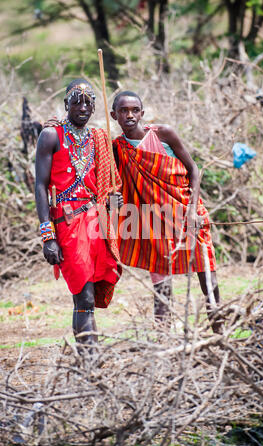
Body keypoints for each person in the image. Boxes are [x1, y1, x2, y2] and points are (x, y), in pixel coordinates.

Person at [111, 91, 221, 333]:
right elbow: (113, 186)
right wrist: (113, 199)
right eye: (123, 111)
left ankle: (220, 335)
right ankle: (164, 342)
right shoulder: (117, 149)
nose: (129, 115)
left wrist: (192, 211)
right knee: (161, 284)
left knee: (208, 277)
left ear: (142, 113)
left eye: (134, 110)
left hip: (187, 212)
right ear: (114, 115)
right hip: (154, 223)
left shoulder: (164, 133)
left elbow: (193, 169)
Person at [35, 79, 123, 354]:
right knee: (82, 295)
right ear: (66, 105)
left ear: (95, 106)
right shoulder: (52, 135)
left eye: (88, 102)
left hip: (97, 224)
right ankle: (90, 364)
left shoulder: (99, 137)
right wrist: (47, 236)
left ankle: (90, 362)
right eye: (77, 101)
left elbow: (108, 184)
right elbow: (40, 185)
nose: (83, 107)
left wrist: (112, 198)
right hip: (68, 225)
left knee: (93, 291)